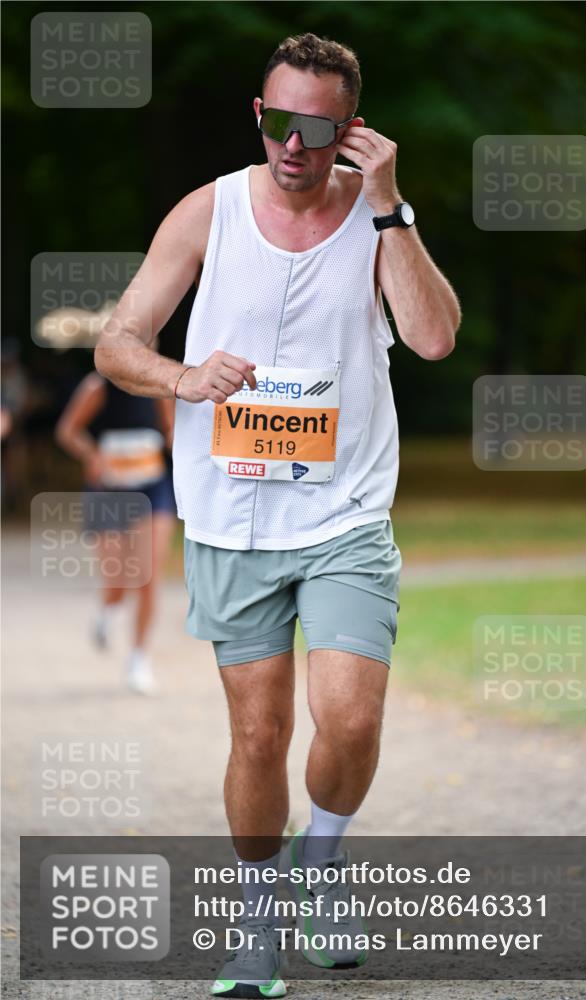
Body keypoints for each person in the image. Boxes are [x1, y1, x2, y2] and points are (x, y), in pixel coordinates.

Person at [95, 32, 460, 997]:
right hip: (231, 518)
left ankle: (321, 868)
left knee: (349, 718)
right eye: (276, 123)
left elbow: (430, 338)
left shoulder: (378, 221)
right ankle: (256, 923)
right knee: (257, 737)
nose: (293, 147)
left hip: (343, 513)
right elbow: (117, 342)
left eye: (316, 127)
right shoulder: (208, 211)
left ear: (350, 129)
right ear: (259, 117)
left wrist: (388, 209)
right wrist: (182, 375)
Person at [55, 342, 176, 694]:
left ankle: (139, 658)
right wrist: (91, 454)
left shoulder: (157, 389)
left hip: (152, 489)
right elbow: (67, 431)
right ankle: (108, 610)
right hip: (109, 492)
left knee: (148, 575)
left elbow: (170, 433)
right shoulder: (97, 386)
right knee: (118, 577)